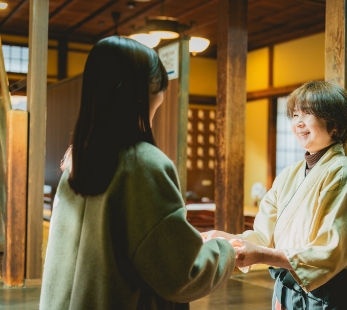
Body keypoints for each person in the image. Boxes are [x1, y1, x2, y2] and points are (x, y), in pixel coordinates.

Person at [40, 36, 236, 310]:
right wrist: (226, 251)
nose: (162, 96)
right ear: (142, 92)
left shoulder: (77, 160)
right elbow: (181, 274)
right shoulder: (144, 165)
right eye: (159, 87)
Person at [205, 81, 347, 309]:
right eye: (295, 114)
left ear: (335, 125)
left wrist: (262, 256)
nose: (298, 122)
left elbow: (330, 252)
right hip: (290, 290)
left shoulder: (344, 174)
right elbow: (264, 237)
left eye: (308, 114)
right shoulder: (290, 174)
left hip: (333, 295)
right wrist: (228, 241)